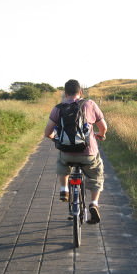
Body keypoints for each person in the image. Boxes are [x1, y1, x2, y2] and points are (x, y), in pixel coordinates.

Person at [44, 79, 107, 224]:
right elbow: (103, 127)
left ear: (65, 93)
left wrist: (55, 139)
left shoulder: (58, 108)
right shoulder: (90, 104)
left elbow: (47, 132)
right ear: (81, 92)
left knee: (62, 161)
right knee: (96, 174)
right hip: (88, 152)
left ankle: (64, 188)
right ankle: (94, 204)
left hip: (67, 152)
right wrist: (101, 135)